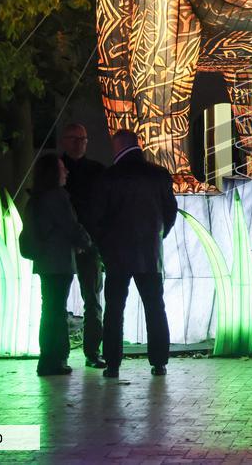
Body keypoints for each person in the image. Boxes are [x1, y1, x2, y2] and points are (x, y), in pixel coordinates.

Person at [92, 129, 178, 378]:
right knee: (154, 307)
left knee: (115, 309)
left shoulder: (109, 178)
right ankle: (159, 361)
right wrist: (157, 236)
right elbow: (170, 212)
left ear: (117, 147)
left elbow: (98, 218)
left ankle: (113, 363)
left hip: (117, 254)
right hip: (149, 253)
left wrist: (104, 247)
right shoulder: (158, 175)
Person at [26, 153, 90, 376]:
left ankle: (47, 359)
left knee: (49, 309)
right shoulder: (57, 196)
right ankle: (55, 359)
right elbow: (70, 225)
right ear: (54, 172)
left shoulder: (38, 197)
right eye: (63, 168)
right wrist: (85, 242)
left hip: (45, 261)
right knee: (56, 310)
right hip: (59, 261)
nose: (67, 172)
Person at [59, 122, 107, 369]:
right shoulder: (57, 168)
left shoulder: (97, 171)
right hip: (65, 245)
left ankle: (92, 351)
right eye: (74, 138)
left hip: (89, 245)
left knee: (93, 300)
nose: (79, 143)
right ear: (65, 141)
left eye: (83, 139)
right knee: (59, 303)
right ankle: (61, 354)